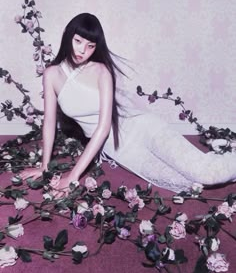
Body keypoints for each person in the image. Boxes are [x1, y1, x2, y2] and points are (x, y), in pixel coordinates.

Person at [20, 13, 236, 195]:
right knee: (188, 184)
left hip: (143, 128)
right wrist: (44, 166)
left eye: (90, 45)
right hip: (119, 148)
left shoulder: (101, 71)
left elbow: (103, 127)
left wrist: (73, 175)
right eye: (78, 41)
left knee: (207, 174)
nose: (82, 50)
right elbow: (49, 121)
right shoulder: (51, 74)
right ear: (68, 37)